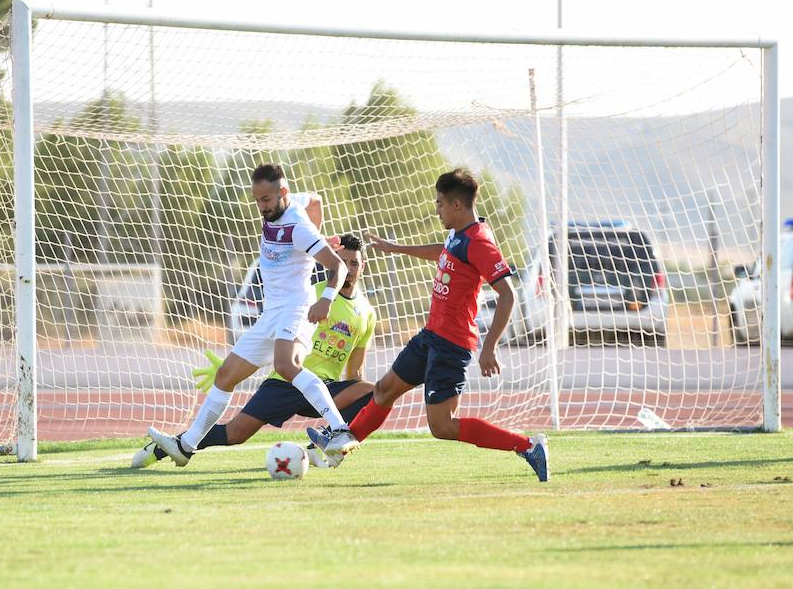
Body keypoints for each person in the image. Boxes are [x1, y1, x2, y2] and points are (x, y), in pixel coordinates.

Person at [308, 168, 550, 481]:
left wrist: (489, 348)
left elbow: (508, 294)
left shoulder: (479, 242)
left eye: (439, 204)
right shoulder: (458, 235)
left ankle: (528, 445)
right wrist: (397, 249)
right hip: (430, 337)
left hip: (452, 345)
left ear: (457, 206)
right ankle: (342, 443)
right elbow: (444, 251)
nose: (436, 210)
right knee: (383, 391)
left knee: (443, 426)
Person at [148, 164, 359, 466]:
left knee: (287, 364)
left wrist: (325, 298)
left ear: (282, 193)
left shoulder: (298, 227)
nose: (262, 207)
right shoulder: (293, 202)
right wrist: (320, 235)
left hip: (294, 308)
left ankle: (339, 430)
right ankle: (186, 446)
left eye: (266, 200)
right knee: (225, 376)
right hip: (271, 313)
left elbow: (337, 266)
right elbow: (315, 200)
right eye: (257, 199)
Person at [132, 234, 376, 469]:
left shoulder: (367, 313)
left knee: (373, 392)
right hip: (285, 381)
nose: (348, 268)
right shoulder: (310, 295)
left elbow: (354, 372)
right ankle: (167, 447)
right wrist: (232, 364)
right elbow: (277, 335)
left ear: (362, 266)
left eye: (354, 263)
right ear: (332, 263)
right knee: (235, 433)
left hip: (322, 390)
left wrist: (353, 409)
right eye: (342, 262)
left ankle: (323, 442)